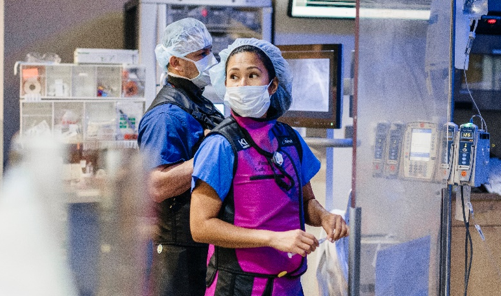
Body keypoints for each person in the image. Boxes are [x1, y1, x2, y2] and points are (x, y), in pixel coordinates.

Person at [189, 38, 349, 295]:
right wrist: (273, 238)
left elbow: (306, 202)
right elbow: (201, 226)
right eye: (234, 76)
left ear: (273, 85)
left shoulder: (289, 139)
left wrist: (325, 217)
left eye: (253, 75)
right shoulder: (220, 145)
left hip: (289, 284)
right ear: (225, 84)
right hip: (239, 286)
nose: (242, 85)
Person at [137, 18, 225, 296]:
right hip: (179, 249)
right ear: (175, 63)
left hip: (202, 241)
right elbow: (157, 186)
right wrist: (212, 152)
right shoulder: (166, 115)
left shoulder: (197, 100)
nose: (210, 60)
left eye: (210, 51)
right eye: (201, 55)